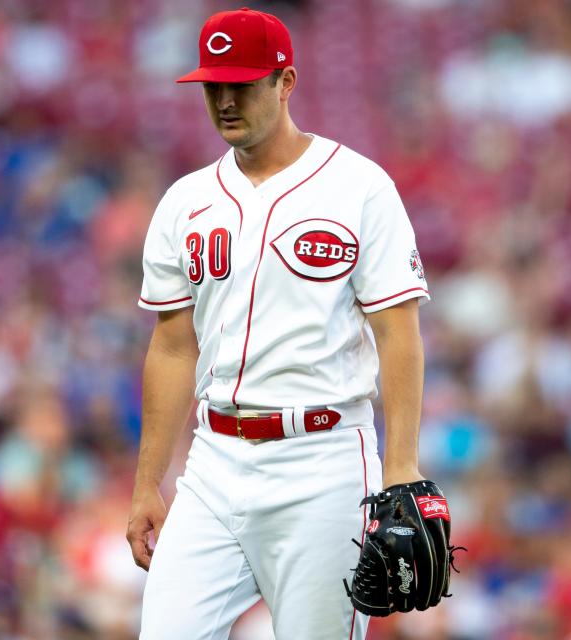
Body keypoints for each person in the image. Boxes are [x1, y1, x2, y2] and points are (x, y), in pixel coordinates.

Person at [127, 8, 432, 639]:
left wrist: (401, 466)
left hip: (321, 460)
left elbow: (397, 332)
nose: (225, 100)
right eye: (213, 85)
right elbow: (172, 347)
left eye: (241, 83)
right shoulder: (185, 201)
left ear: (285, 81)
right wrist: (147, 483)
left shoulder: (359, 187)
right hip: (213, 462)